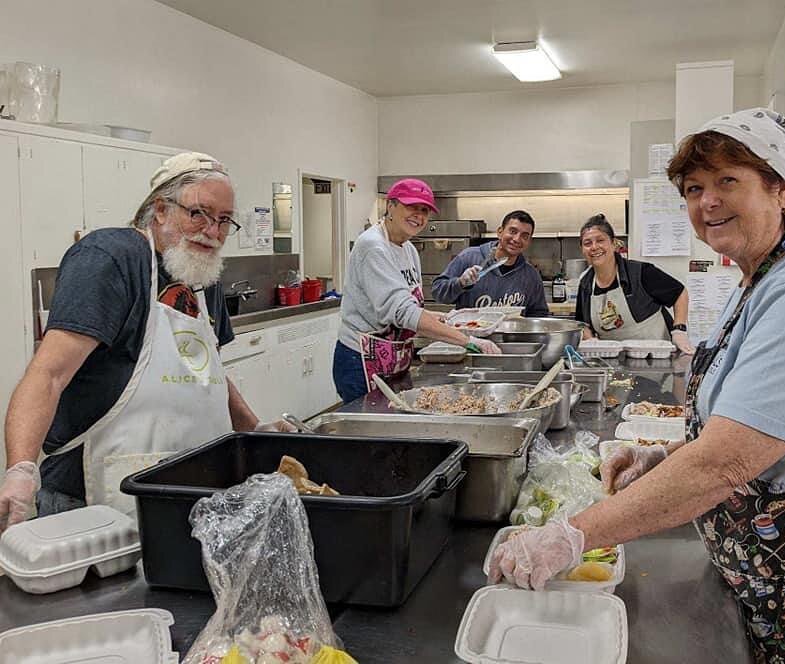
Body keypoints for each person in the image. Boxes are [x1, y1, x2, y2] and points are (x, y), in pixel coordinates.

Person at [488, 109, 785, 663]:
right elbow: (758, 428)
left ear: (780, 189)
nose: (706, 202)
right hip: (782, 575)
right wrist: (663, 456)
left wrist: (572, 534)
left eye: (729, 180)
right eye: (693, 188)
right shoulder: (760, 277)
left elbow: (724, 465)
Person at [0, 152, 296, 530]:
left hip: (191, 488)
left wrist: (255, 430)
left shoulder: (205, 275)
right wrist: (21, 467)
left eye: (224, 220)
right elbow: (49, 373)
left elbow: (209, 373)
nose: (212, 230)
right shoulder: (112, 259)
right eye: (199, 213)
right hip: (96, 498)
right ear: (160, 210)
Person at [333, 179, 500, 404]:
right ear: (390, 206)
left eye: (425, 210)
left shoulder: (409, 249)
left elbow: (409, 308)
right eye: (411, 206)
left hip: (394, 359)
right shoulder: (373, 246)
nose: (418, 215)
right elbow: (402, 311)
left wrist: (444, 318)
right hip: (360, 360)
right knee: (371, 432)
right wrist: (468, 340)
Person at [575, 214, 694, 353]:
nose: (594, 247)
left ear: (613, 244)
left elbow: (679, 293)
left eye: (600, 240)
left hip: (657, 358)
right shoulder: (585, 283)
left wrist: (679, 330)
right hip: (614, 361)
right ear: (582, 249)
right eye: (587, 243)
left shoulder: (640, 272)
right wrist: (590, 342)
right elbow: (582, 324)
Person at [431, 210, 550, 317]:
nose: (517, 239)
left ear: (529, 242)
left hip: (510, 340)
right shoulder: (468, 257)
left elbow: (539, 314)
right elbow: (437, 292)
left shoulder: (531, 276)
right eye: (513, 231)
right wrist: (460, 283)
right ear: (500, 232)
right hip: (470, 338)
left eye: (525, 236)